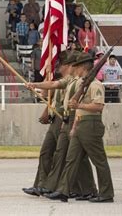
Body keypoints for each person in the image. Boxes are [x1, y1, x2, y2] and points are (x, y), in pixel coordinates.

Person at [25, 52, 97, 199]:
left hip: (71, 118)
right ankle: (45, 185)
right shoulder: (69, 80)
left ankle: (82, 188)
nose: (59, 67)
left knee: (73, 156)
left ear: (69, 66)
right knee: (52, 153)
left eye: (62, 64)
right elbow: (53, 86)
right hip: (60, 118)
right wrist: (35, 85)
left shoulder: (81, 81)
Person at [45, 52, 114, 203]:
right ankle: (63, 190)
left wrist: (78, 105)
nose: (74, 68)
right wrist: (74, 126)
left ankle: (106, 193)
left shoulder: (95, 84)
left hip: (91, 124)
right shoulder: (83, 84)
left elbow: (98, 106)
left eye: (76, 66)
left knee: (99, 161)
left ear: (83, 66)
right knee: (71, 159)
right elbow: (78, 110)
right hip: (80, 123)